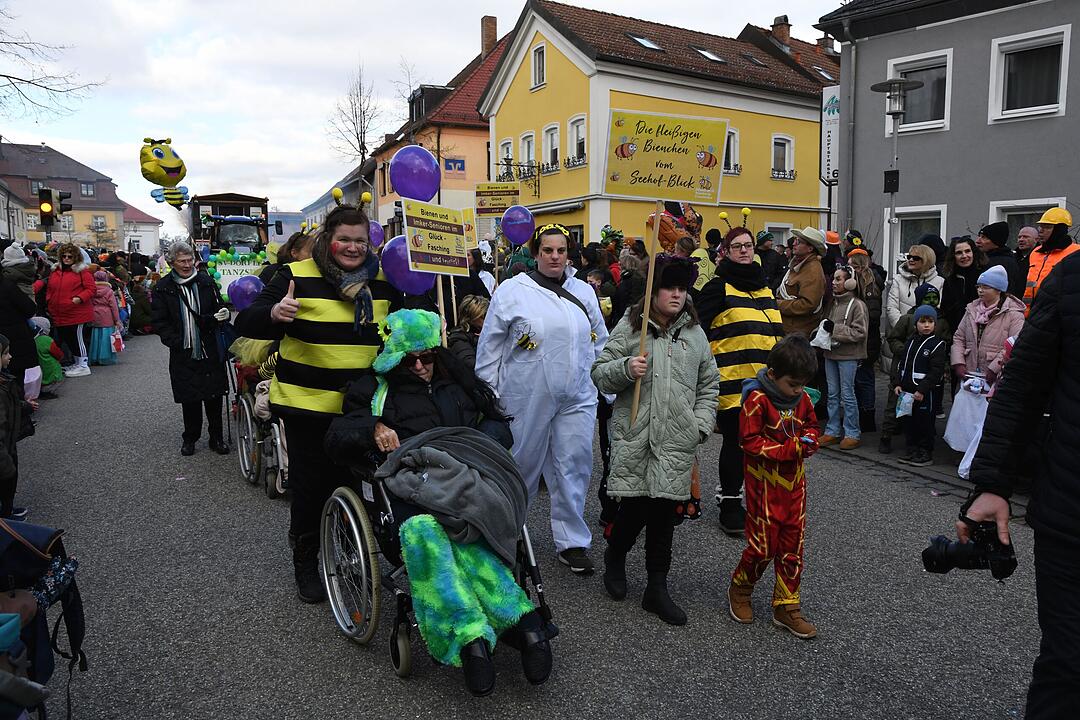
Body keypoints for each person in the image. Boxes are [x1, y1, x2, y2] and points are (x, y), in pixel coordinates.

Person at [324, 309, 551, 695]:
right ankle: (502, 627)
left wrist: (472, 447)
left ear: (436, 352)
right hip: (412, 485)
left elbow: (498, 424)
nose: (419, 367)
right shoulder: (373, 391)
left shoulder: (459, 383)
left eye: (426, 357)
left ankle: (489, 632)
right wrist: (373, 427)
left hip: (466, 484)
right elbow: (336, 437)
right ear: (393, 357)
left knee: (460, 529)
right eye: (408, 359)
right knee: (425, 532)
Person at [235, 203, 399, 603]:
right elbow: (245, 321)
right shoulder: (294, 275)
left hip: (362, 408)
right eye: (344, 238)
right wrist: (275, 311)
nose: (353, 247)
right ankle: (307, 562)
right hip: (306, 405)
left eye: (361, 240)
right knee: (311, 488)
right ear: (328, 238)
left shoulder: (382, 279)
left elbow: (410, 320)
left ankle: (351, 550)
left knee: (362, 484)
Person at [960, 250, 1080, 718]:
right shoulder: (1070, 281)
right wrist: (992, 483)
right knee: (1068, 665)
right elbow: (1023, 385)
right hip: (1071, 516)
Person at [475, 222, 608, 574]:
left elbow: (601, 341)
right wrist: (487, 395)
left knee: (574, 464)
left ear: (569, 254)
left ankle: (572, 541)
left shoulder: (584, 291)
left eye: (561, 250)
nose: (555, 256)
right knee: (521, 465)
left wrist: (606, 386)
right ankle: (509, 532)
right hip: (526, 393)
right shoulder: (512, 291)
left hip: (577, 393)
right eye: (547, 250)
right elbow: (490, 346)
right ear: (536, 253)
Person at [592, 255, 718, 625]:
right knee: (635, 509)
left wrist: (699, 425)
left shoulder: (695, 334)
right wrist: (625, 368)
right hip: (638, 436)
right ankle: (615, 556)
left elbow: (709, 385)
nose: (677, 295)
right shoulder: (631, 329)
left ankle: (656, 588)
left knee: (665, 514)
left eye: (682, 288)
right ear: (655, 291)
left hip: (678, 439)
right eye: (669, 288)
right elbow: (600, 374)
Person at [727, 335, 820, 639]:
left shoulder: (802, 398)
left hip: (795, 486)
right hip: (764, 487)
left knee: (793, 545)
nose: (797, 391)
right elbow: (749, 441)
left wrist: (808, 442)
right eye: (792, 384)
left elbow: (811, 427)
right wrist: (788, 449)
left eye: (801, 385)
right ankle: (741, 587)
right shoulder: (756, 399)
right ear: (772, 374)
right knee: (763, 546)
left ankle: (786, 604)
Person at [697, 227, 785, 536]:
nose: (745, 251)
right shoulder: (718, 288)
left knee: (760, 445)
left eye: (748, 245)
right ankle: (730, 503)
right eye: (737, 246)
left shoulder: (764, 289)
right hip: (733, 384)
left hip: (767, 386)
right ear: (726, 252)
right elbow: (698, 331)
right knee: (737, 443)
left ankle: (759, 500)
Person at [151, 241, 232, 457]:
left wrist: (224, 314)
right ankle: (190, 438)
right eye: (181, 261)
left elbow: (219, 308)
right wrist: (175, 341)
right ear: (171, 263)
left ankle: (217, 438)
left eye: (189, 260)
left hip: (209, 347)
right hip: (183, 351)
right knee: (190, 398)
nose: (187, 265)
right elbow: (159, 321)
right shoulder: (163, 287)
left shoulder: (206, 281)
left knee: (214, 396)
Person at [819, 266, 868, 450]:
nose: (834, 282)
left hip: (848, 356)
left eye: (838, 279)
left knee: (847, 394)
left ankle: (852, 432)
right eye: (834, 278)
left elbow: (860, 333)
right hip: (831, 353)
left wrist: (835, 330)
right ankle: (832, 431)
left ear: (850, 283)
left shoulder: (857, 305)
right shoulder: (834, 303)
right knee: (832, 394)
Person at [951, 266, 1025, 387]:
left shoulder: (1014, 314)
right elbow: (959, 338)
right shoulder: (971, 310)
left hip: (996, 379)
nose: (980, 290)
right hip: (969, 376)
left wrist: (995, 368)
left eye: (985, 287)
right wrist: (958, 362)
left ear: (999, 290)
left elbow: (1014, 344)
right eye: (978, 286)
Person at [891, 305, 947, 467]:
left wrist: (922, 389)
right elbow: (903, 365)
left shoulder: (937, 344)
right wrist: (897, 383)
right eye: (923, 322)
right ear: (916, 324)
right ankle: (912, 449)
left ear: (935, 324)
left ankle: (925, 452)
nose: (927, 325)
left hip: (924, 393)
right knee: (910, 422)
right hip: (907, 392)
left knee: (925, 423)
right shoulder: (911, 341)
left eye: (930, 321)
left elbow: (936, 371)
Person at [45, 243, 95, 378]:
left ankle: (83, 364)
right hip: (60, 312)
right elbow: (50, 288)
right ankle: (77, 362)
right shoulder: (55, 271)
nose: (66, 258)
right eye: (64, 256)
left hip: (77, 312)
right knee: (69, 339)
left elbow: (91, 289)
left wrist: (79, 298)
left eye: (70, 256)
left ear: (75, 257)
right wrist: (49, 300)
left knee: (77, 338)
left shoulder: (82, 271)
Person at [846, 249, 883, 431]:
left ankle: (867, 417)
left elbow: (872, 316)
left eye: (852, 265)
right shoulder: (857, 283)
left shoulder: (870, 284)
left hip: (868, 340)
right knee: (858, 379)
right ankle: (860, 414)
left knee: (865, 378)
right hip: (862, 338)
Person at [1024, 208, 1077, 317]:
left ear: (1059, 230)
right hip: (1030, 314)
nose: (1041, 231)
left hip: (1057, 316)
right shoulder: (1035, 252)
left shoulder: (1075, 252)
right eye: (1041, 227)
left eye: (1047, 227)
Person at [776, 227, 827, 337]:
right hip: (789, 330)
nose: (793, 243)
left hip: (798, 334)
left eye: (798, 241)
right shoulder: (797, 266)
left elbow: (808, 305)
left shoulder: (813, 271)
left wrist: (778, 304)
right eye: (795, 240)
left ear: (810, 248)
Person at [885, 244, 942, 330]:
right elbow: (892, 308)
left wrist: (927, 328)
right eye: (909, 257)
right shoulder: (898, 280)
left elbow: (940, 309)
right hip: (903, 334)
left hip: (930, 333)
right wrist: (904, 328)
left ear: (927, 260)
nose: (911, 260)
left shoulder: (940, 282)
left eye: (916, 258)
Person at [940, 236, 988, 340]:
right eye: (959, 253)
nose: (964, 256)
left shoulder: (985, 275)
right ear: (953, 256)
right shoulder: (950, 280)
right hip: (958, 333)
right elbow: (946, 309)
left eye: (967, 251)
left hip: (983, 331)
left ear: (973, 252)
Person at [0, 271, 37, 401]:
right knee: (16, 374)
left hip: (11, 336)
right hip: (14, 337)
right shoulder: (7, 286)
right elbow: (29, 308)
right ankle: (18, 411)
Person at [0, 334, 26, 519]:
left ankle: (7, 510)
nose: (10, 357)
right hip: (3, 447)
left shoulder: (5, 381)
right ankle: (6, 518)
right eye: (5, 354)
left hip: (8, 440)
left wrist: (25, 406)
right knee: (7, 477)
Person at [975, 221, 1024, 297]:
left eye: (984, 237)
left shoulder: (1003, 264)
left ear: (996, 241)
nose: (978, 241)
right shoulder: (985, 258)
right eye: (979, 236)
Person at [446, 294, 489, 369]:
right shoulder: (458, 337)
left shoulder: (492, 332)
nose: (487, 319)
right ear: (472, 317)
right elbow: (469, 363)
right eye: (484, 316)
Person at [89, 270, 121, 366]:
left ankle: (95, 357)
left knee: (95, 337)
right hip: (107, 315)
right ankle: (105, 357)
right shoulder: (109, 291)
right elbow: (114, 307)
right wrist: (117, 320)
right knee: (106, 337)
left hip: (95, 313)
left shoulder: (92, 290)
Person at [28, 318, 63, 396]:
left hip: (39, 366)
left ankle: (41, 391)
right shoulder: (47, 340)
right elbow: (57, 353)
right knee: (52, 381)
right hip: (51, 367)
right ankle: (47, 392)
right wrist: (61, 357)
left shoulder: (31, 340)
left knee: (43, 379)